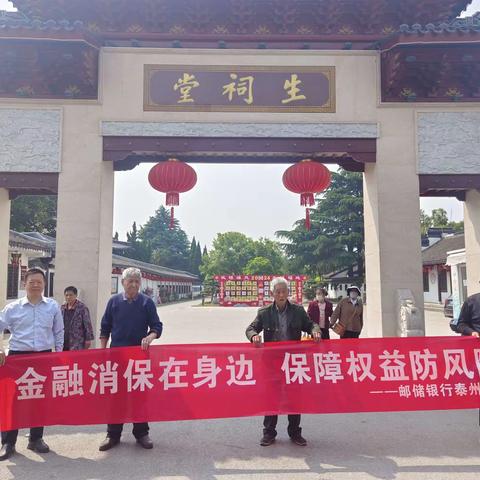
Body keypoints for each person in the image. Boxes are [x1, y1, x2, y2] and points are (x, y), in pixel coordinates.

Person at [246, 276, 321, 447]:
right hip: (272, 363)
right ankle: (269, 433)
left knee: (294, 398)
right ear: (272, 294)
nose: (281, 295)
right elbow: (250, 328)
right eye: (278, 292)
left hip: (293, 362)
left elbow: (310, 324)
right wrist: (254, 336)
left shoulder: (297, 311)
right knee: (272, 398)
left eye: (284, 291)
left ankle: (295, 433)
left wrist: (315, 331)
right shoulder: (264, 313)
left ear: (288, 292)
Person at [0, 268, 64, 461]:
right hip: (17, 359)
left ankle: (36, 439)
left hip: (42, 358)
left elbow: (59, 332)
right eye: (32, 281)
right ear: (24, 284)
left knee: (39, 400)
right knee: (12, 401)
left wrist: (58, 355)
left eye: (39, 281)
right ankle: (8, 442)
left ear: (44, 284)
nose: (36, 284)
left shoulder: (52, 306)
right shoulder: (13, 308)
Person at [98, 267, 163, 452]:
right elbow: (105, 327)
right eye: (130, 281)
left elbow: (156, 326)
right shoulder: (114, 302)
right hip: (117, 357)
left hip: (139, 358)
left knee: (139, 396)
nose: (133, 284)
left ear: (140, 283)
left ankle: (141, 432)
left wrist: (150, 337)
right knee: (116, 397)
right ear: (123, 282)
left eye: (137, 281)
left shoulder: (146, 303)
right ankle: (113, 434)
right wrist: (102, 352)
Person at [61, 286, 94, 351]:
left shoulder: (82, 308)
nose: (68, 297)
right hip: (64, 341)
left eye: (71, 295)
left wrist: (88, 339)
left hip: (77, 341)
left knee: (75, 360)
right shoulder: (62, 308)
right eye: (66, 295)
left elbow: (87, 324)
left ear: (76, 295)